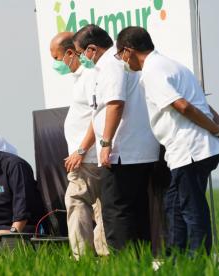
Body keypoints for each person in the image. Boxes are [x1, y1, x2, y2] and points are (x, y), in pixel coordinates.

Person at [116, 26, 219, 254]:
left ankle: (197, 262)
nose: (122, 60)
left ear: (128, 51)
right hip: (191, 149)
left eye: (120, 54)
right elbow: (202, 103)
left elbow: (182, 105)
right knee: (173, 206)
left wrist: (215, 129)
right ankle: (176, 259)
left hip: (189, 149)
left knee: (192, 209)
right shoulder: (172, 65)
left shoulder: (152, 70)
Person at [72, 24, 160, 250]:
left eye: (82, 53)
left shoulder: (111, 63)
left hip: (122, 152)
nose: (82, 59)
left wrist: (105, 143)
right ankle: (138, 262)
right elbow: (99, 111)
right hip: (134, 151)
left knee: (116, 211)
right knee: (136, 210)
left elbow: (114, 104)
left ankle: (123, 264)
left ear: (92, 49)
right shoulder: (109, 66)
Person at [50, 31, 110, 258]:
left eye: (56, 58)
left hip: (87, 158)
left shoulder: (88, 77)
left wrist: (81, 150)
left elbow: (97, 118)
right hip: (89, 156)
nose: (56, 63)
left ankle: (83, 258)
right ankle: (104, 256)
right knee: (100, 207)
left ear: (69, 53)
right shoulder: (82, 78)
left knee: (75, 202)